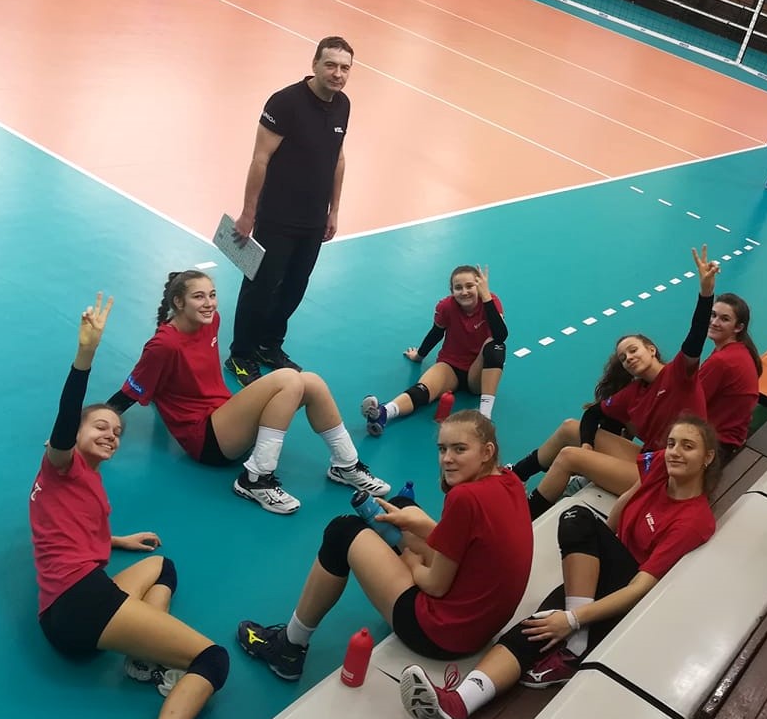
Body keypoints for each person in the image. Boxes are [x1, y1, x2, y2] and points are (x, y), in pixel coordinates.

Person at [400, 415, 721, 719]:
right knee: (533, 628)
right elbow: (622, 511)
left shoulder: (693, 520)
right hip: (607, 572)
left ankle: (576, 645)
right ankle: (458, 705)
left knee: (577, 518)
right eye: (671, 443)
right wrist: (603, 542)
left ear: (708, 457)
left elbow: (640, 588)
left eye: (687, 446)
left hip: (630, 599)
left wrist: (572, 620)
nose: (674, 452)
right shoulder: (660, 468)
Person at [31, 293, 229, 719]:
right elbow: (64, 420)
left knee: (162, 566)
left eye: (117, 431)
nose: (112, 434)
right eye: (100, 426)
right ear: (70, 438)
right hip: (81, 602)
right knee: (212, 659)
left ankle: (142, 662)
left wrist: (118, 541)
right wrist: (85, 355)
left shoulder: (81, 482)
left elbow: (64, 531)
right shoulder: (61, 463)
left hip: (66, 608)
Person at [237, 411, 533, 681]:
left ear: (487, 452)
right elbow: (475, 542)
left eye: (459, 449)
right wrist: (421, 526)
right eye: (442, 449)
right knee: (400, 507)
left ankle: (289, 648)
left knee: (342, 532)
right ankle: (392, 546)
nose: (446, 459)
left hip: (440, 634)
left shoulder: (464, 498)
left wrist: (411, 562)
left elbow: (435, 586)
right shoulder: (510, 481)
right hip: (480, 628)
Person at [109, 270, 389, 514]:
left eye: (212, 295)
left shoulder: (212, 321)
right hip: (205, 438)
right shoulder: (163, 345)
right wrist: (99, 421)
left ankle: (346, 465)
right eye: (199, 297)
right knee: (289, 380)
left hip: (226, 418)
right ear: (178, 302)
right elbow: (133, 388)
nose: (209, 303)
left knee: (311, 381)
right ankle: (255, 479)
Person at [509, 247, 718, 518]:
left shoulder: (679, 374)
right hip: (651, 459)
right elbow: (592, 414)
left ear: (651, 349)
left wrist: (706, 293)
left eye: (633, 350)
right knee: (570, 427)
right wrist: (587, 443)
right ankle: (514, 475)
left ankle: (523, 518)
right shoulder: (634, 391)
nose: (628, 358)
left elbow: (696, 335)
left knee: (569, 456)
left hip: (671, 474)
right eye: (623, 357)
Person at [225, 36, 355, 383]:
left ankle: (268, 345)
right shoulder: (285, 103)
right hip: (276, 217)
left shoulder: (343, 105)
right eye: (330, 65)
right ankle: (240, 354)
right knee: (260, 287)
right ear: (314, 64)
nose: (337, 74)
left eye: (344, 68)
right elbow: (260, 159)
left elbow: (338, 159)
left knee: (295, 287)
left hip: (313, 220)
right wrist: (248, 213)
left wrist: (334, 210)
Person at [361, 265, 508, 434]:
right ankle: (383, 413)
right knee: (422, 389)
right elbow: (436, 333)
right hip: (451, 366)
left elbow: (501, 335)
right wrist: (419, 356)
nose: (464, 292)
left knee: (495, 345)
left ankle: (484, 418)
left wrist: (486, 297)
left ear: (479, 286)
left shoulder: (491, 301)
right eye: (458, 288)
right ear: (452, 291)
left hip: (478, 372)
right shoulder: (446, 306)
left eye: (470, 286)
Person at [700, 292, 762, 461]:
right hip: (728, 442)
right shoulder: (740, 351)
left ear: (738, 327)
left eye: (724, 319)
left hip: (714, 447)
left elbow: (690, 402)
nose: (714, 322)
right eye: (713, 315)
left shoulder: (722, 361)